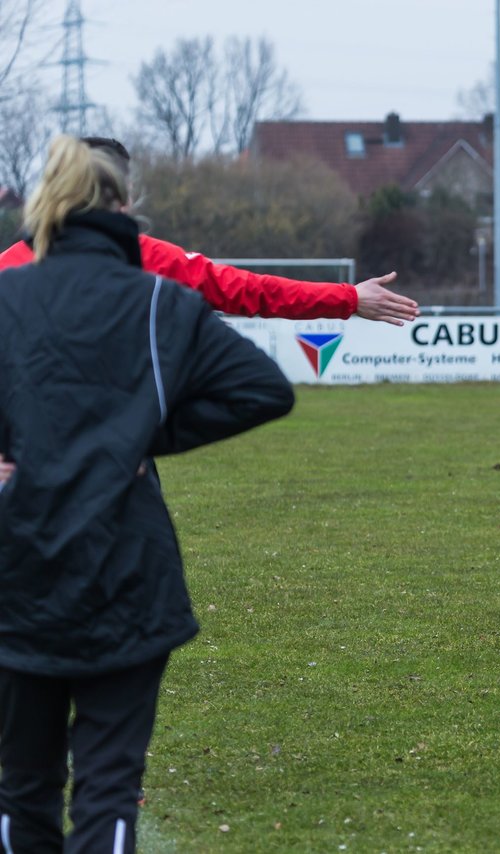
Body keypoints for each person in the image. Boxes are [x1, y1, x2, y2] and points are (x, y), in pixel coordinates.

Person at [0, 136, 295, 851]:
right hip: (126, 570)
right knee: (107, 787)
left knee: (21, 788)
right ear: (125, 207)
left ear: (45, 205)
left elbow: (261, 392)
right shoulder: (160, 298)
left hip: (17, 568)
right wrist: (130, 442)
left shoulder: (6, 292)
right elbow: (263, 389)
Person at [0, 136, 420, 326]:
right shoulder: (149, 259)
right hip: (117, 466)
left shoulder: (7, 269)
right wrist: (347, 298)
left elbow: (247, 290)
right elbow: (250, 292)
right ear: (119, 195)